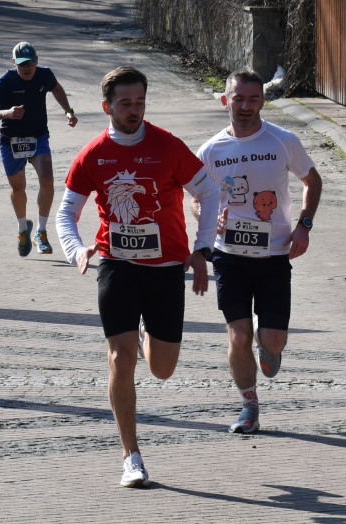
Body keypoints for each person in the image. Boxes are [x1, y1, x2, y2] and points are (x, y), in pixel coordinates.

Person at [55, 66, 218, 488]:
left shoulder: (168, 146)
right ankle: (131, 456)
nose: (134, 109)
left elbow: (209, 191)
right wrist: (76, 251)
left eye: (140, 101)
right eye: (125, 103)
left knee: (162, 369)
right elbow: (66, 213)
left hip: (165, 269)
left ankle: (148, 334)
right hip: (116, 264)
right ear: (106, 106)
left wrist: (201, 249)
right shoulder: (93, 154)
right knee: (119, 358)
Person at [195, 69, 322, 435]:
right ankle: (249, 405)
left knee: (272, 339)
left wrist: (304, 225)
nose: (246, 106)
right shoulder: (211, 150)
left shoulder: (283, 141)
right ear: (225, 101)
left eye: (253, 99)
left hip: (274, 256)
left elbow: (312, 181)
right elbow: (196, 198)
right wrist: (207, 218)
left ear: (262, 101)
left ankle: (270, 343)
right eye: (239, 99)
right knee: (238, 335)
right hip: (229, 255)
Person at [0, 41, 77, 256]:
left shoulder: (45, 75)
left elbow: (57, 89)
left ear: (37, 62)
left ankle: (41, 232)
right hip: (11, 140)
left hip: (38, 137)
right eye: (22, 64)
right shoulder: (5, 81)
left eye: (31, 63)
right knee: (19, 188)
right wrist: (6, 113)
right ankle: (23, 228)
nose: (27, 68)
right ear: (14, 62)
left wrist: (68, 111)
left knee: (47, 179)